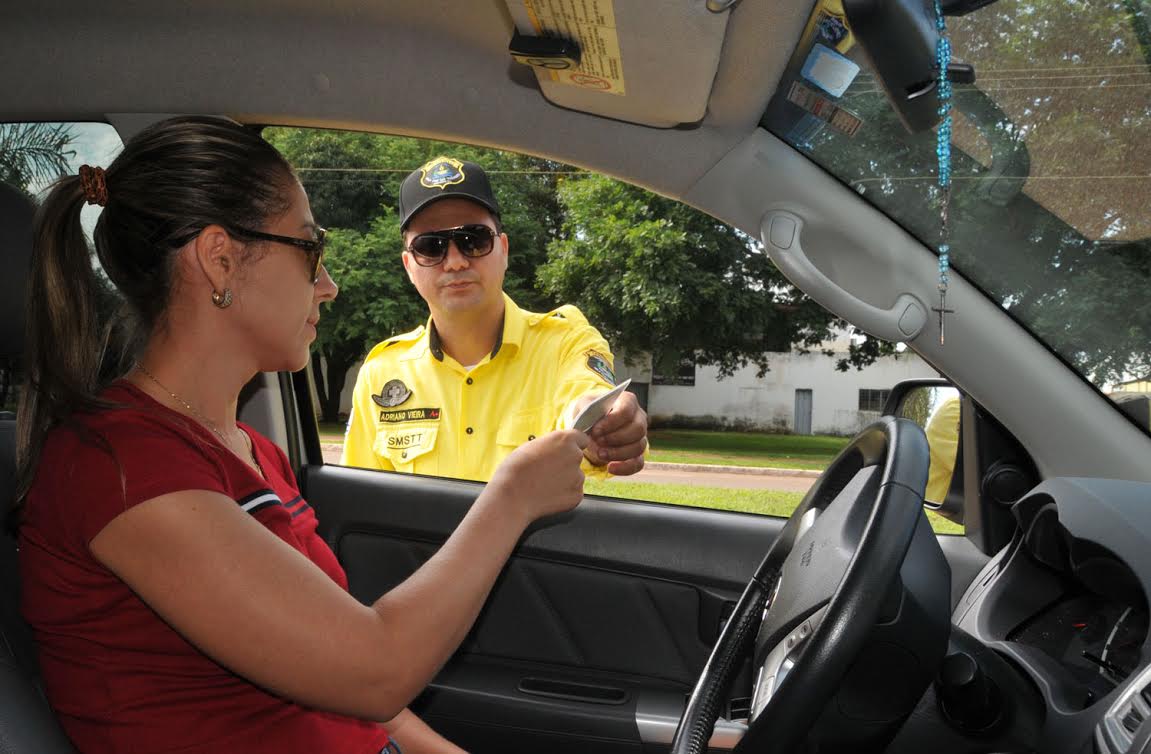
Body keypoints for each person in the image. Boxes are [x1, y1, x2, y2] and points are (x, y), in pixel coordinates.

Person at [17, 117, 590, 754]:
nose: (328, 285)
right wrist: (511, 497)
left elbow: (344, 682)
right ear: (220, 259)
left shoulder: (248, 450)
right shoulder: (118, 467)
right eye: (309, 250)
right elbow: (374, 672)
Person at [342, 156, 647, 480]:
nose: (455, 261)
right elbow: (360, 499)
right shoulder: (381, 372)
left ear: (503, 249)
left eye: (474, 240)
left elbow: (588, 395)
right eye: (431, 247)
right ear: (409, 266)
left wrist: (603, 421)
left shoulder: (565, 342)